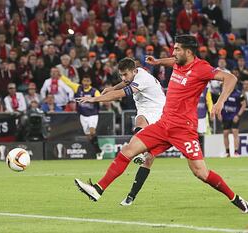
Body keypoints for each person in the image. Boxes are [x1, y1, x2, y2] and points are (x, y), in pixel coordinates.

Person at [74, 35, 248, 213]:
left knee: (200, 173)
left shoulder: (201, 68)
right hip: (163, 124)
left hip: (183, 129)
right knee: (127, 150)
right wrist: (157, 62)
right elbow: (171, 61)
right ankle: (98, 189)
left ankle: (235, 198)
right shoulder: (178, 62)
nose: (174, 52)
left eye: (177, 49)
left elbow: (231, 79)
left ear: (188, 52)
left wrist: (220, 102)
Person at [77, 57, 165, 205]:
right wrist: (113, 87)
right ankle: (126, 195)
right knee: (146, 155)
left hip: (160, 112)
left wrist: (95, 99)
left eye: (125, 74)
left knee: (141, 145)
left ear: (134, 71)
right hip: (146, 110)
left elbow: (121, 94)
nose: (123, 78)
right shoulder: (137, 72)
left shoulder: (142, 79)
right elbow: (124, 83)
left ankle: (128, 193)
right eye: (121, 75)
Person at [61, 74, 104, 159]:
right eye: (84, 81)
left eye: (87, 81)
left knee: (92, 132)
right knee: (88, 136)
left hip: (93, 114)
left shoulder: (94, 91)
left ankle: (98, 152)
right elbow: (68, 82)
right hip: (83, 115)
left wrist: (99, 100)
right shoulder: (78, 88)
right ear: (82, 81)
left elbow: (100, 98)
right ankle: (98, 150)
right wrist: (60, 76)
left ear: (90, 82)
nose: (86, 83)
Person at [221, 83, 246, 157]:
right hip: (225, 116)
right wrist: (219, 113)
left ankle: (236, 152)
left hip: (234, 116)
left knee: (235, 132)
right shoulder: (224, 93)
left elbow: (244, 104)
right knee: (225, 133)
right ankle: (227, 152)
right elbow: (220, 103)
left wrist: (238, 115)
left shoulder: (238, 94)